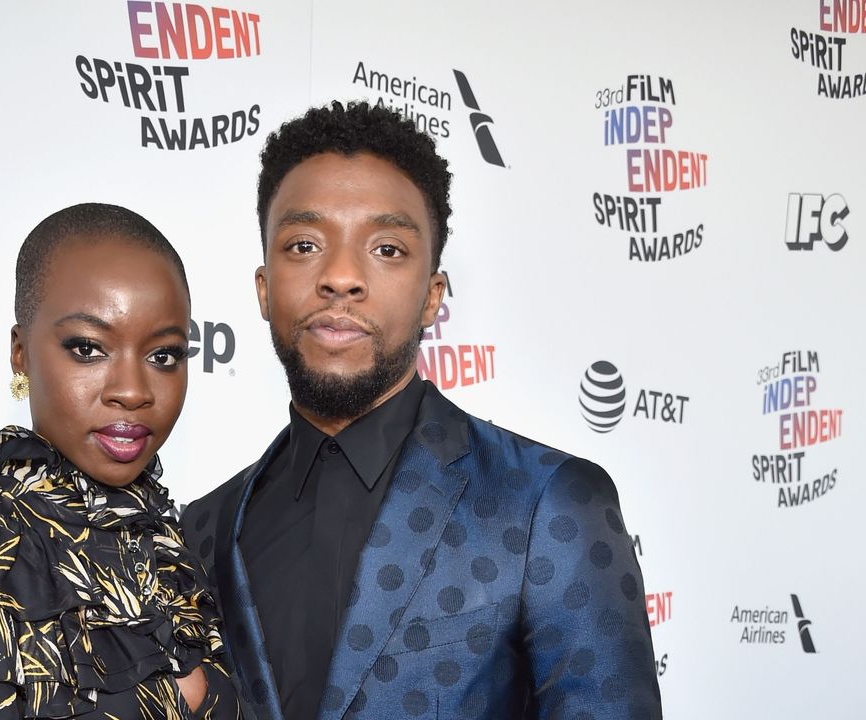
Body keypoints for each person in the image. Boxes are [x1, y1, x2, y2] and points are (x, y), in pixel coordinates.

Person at [182, 102, 663, 720]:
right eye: (304, 244)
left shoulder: (550, 502)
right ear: (264, 287)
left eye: (386, 248)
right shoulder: (203, 529)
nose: (341, 276)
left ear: (433, 297)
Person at [0, 203, 240, 720]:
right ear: (21, 351)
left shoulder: (177, 549)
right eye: (89, 348)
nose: (132, 391)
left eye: (163, 355)